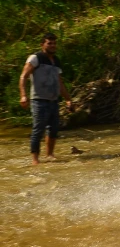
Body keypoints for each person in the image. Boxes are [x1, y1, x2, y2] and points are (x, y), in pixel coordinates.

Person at [19, 33, 73, 165]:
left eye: (54, 43)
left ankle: (49, 155)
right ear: (42, 44)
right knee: (38, 129)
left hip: (54, 101)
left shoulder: (56, 60)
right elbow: (23, 77)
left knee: (53, 129)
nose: (53, 46)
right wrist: (23, 95)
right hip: (39, 101)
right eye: (49, 43)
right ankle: (35, 159)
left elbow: (59, 83)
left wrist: (68, 99)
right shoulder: (35, 58)